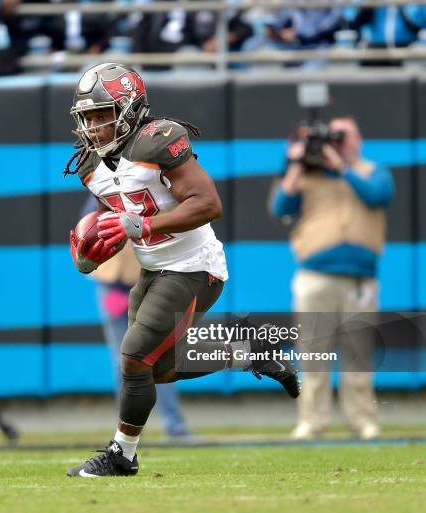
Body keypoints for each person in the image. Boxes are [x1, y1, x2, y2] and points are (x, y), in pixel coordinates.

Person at [63, 62, 300, 477]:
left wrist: (144, 225)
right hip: (153, 269)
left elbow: (208, 203)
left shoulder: (158, 142)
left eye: (104, 115)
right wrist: (96, 244)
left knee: (134, 358)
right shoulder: (91, 167)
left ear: (130, 109)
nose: (96, 127)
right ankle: (249, 352)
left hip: (195, 266)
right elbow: (120, 207)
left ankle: (122, 454)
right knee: (159, 368)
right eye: (89, 118)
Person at [271, 117, 394, 440]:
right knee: (313, 353)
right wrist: (296, 163)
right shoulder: (308, 176)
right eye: (333, 137)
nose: (338, 142)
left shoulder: (373, 171)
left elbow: (376, 196)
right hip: (315, 275)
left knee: (358, 354)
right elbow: (280, 205)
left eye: (345, 136)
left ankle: (362, 421)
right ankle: (312, 421)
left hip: (359, 279)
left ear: (358, 139)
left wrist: (342, 167)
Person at [90, 219, 192, 439]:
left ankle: (174, 426)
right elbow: (89, 225)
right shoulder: (104, 192)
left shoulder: (147, 192)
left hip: (151, 283)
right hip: (114, 287)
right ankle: (128, 429)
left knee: (158, 358)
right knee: (125, 361)